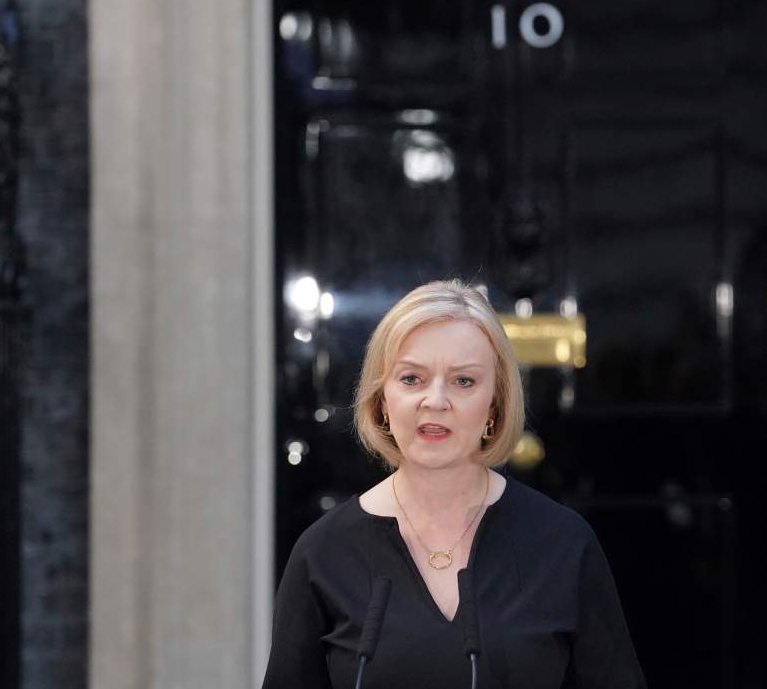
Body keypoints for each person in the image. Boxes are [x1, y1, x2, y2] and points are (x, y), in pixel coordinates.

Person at [261, 279, 647, 688]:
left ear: (494, 405)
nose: (436, 400)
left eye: (463, 381)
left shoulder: (564, 543)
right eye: (412, 379)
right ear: (382, 401)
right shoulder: (323, 553)